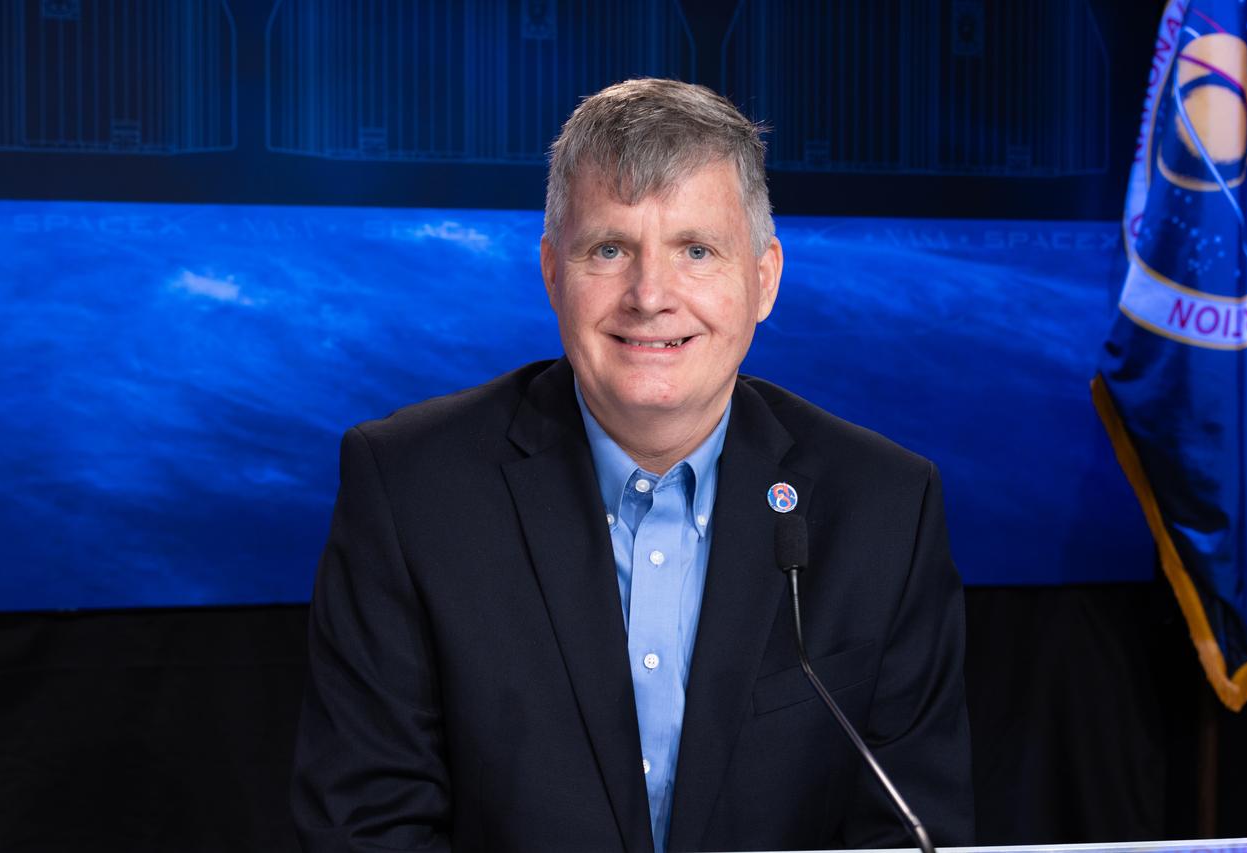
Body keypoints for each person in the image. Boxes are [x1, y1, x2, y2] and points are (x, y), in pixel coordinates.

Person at [291, 78, 973, 852]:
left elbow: (911, 831)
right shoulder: (411, 489)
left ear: (764, 280)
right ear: (553, 272)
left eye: (696, 251)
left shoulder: (886, 508)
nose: (650, 296)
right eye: (610, 250)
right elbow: (367, 829)